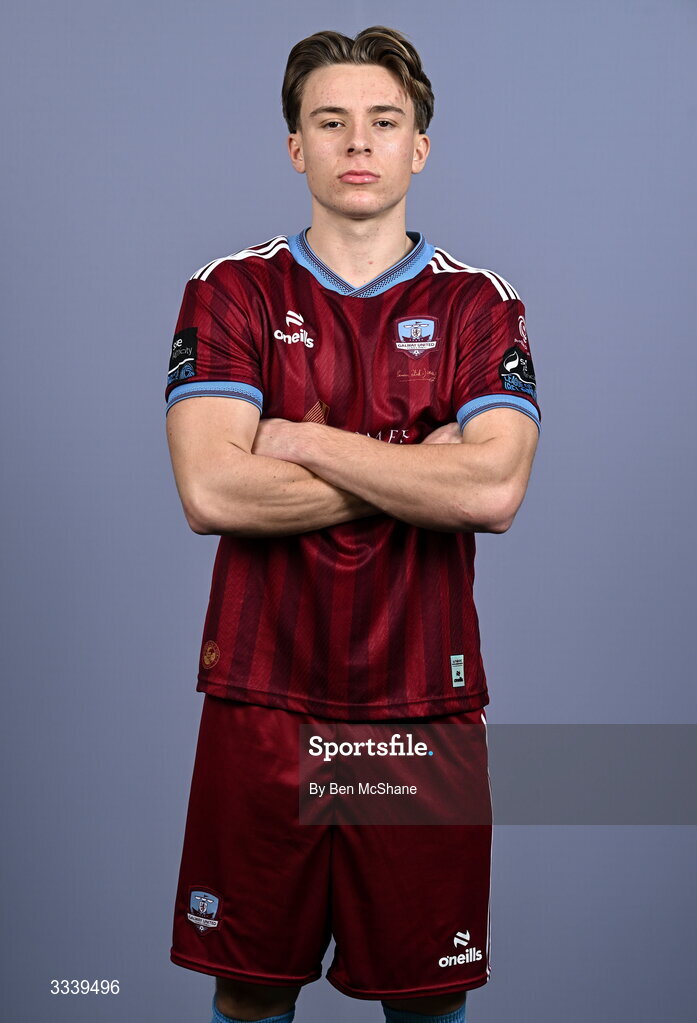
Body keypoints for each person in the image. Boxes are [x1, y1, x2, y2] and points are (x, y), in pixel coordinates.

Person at [165, 25, 540, 1023]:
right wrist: (422, 463)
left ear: (420, 145)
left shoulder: (476, 305)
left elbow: (493, 494)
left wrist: (304, 441)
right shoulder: (231, 289)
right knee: (249, 992)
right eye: (330, 123)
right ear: (297, 147)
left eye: (384, 121)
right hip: (262, 700)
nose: (357, 142)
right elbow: (211, 492)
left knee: (426, 1003)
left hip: (420, 709)